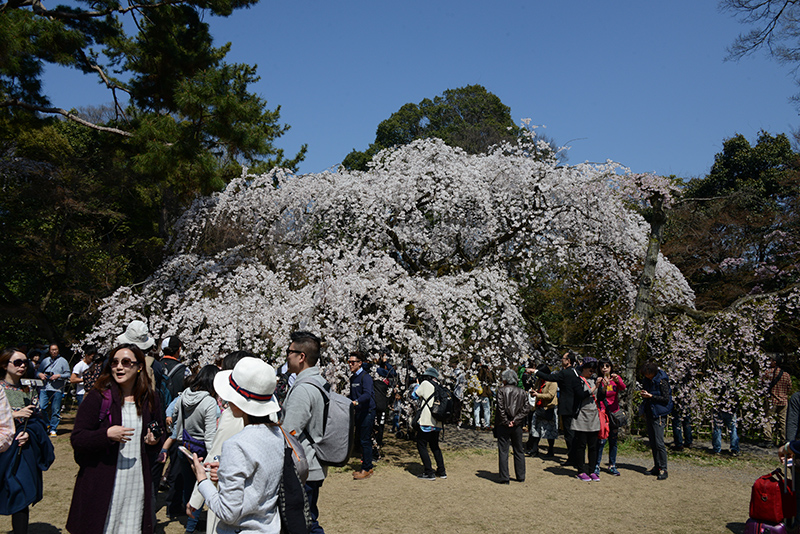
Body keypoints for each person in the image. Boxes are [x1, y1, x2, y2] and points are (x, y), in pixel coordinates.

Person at [67, 344, 164, 534]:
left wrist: (154, 440)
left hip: (136, 482)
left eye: (126, 362)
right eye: (114, 362)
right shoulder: (98, 397)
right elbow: (78, 438)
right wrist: (105, 435)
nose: (119, 367)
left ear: (139, 367)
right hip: (103, 480)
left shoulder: (150, 399)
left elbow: (159, 431)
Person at [190, 357, 285, 533]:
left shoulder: (236, 445)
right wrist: (226, 469)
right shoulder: (277, 435)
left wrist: (202, 479)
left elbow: (228, 513)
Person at [186, 351, 250, 534]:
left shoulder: (233, 414)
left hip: (230, 495)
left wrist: (196, 499)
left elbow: (214, 455)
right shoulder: (269, 415)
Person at [0, 348, 55, 534]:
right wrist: (13, 415)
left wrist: (29, 433)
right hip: (2, 449)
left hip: (23, 449)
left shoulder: (29, 389)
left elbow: (38, 419)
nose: (22, 366)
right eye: (17, 362)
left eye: (25, 362)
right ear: (4, 365)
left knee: (22, 492)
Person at [281, 331, 328, 533]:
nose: (287, 356)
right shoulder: (320, 382)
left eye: (289, 351)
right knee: (308, 519)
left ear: (301, 357)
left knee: (303, 523)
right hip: (314, 462)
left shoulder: (303, 389)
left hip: (303, 466)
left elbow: (289, 433)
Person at [173, 364, 220, 533]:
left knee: (189, 486)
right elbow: (210, 435)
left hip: (184, 446)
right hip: (201, 451)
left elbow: (174, 414)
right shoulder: (209, 402)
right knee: (200, 489)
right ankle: (191, 527)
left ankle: (190, 521)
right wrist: (213, 456)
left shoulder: (184, 395)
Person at [531, 351, 583, 465]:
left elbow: (549, 377)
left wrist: (535, 371)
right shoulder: (576, 372)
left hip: (567, 407)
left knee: (569, 434)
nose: (561, 360)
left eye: (563, 359)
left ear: (568, 361)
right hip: (575, 405)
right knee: (573, 433)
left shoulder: (565, 373)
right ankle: (575, 457)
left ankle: (572, 458)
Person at [571, 357, 605, 481]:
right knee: (581, 445)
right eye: (590, 370)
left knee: (593, 446)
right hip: (581, 415)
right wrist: (595, 387)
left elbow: (601, 397)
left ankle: (592, 470)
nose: (592, 373)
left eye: (593, 370)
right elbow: (580, 395)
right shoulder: (577, 380)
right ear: (583, 368)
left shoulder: (594, 380)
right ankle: (580, 471)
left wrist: (603, 387)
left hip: (593, 415)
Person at [495, 368, 530, 484]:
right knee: (519, 450)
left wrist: (506, 421)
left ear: (505, 380)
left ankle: (504, 477)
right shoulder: (522, 392)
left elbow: (500, 408)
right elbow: (526, 408)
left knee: (503, 451)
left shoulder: (501, 391)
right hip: (517, 425)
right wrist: (516, 420)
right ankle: (521, 476)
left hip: (503, 425)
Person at [640, 361, 673, 481]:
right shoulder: (646, 380)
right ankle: (657, 466)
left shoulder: (662, 381)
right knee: (653, 442)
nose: (646, 376)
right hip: (650, 411)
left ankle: (664, 468)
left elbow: (666, 398)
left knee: (659, 443)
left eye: (647, 374)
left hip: (659, 413)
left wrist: (651, 396)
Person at [412, 368, 447, 480]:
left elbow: (414, 395)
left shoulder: (425, 384)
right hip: (437, 422)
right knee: (434, 445)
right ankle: (442, 471)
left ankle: (429, 472)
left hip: (427, 421)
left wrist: (417, 385)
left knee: (421, 444)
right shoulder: (439, 386)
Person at [594, 358, 626, 476]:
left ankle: (612, 465)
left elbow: (623, 388)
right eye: (602, 366)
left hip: (614, 412)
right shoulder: (598, 380)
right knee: (601, 440)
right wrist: (602, 386)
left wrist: (618, 381)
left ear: (611, 367)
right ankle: (596, 465)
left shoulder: (615, 379)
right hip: (603, 412)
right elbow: (599, 396)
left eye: (607, 366)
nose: (605, 368)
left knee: (613, 440)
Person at [348, 351, 376, 479]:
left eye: (353, 362)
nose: (350, 364)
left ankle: (366, 468)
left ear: (360, 363)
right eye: (349, 362)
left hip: (367, 411)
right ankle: (367, 466)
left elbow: (367, 394)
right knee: (361, 439)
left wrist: (356, 402)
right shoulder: (353, 378)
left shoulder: (366, 377)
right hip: (359, 411)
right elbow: (352, 394)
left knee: (365, 440)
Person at [36, 343, 70, 436]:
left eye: (56, 349)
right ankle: (47, 424)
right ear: (49, 351)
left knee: (55, 409)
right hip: (45, 387)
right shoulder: (45, 360)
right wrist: (40, 375)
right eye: (52, 350)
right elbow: (38, 372)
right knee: (42, 407)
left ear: (58, 350)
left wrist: (58, 376)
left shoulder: (63, 361)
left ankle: (53, 428)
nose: (54, 351)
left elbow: (68, 374)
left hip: (57, 388)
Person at [527, 364, 558, 458]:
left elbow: (550, 395)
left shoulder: (552, 381)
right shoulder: (539, 381)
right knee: (535, 429)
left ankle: (551, 450)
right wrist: (532, 392)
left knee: (550, 431)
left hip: (548, 408)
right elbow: (536, 389)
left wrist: (538, 395)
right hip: (538, 407)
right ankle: (534, 449)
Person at [763, 355, 791, 446]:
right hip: (783, 401)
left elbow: (762, 383)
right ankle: (784, 440)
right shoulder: (786, 375)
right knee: (783, 421)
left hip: (772, 400)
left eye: (771, 360)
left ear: (775, 362)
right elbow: (789, 387)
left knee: (768, 419)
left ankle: (768, 439)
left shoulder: (768, 373)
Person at [473, 362, 495, 430]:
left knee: (476, 408)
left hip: (476, 392)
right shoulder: (487, 372)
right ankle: (487, 424)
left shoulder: (476, 371)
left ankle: (477, 424)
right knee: (486, 409)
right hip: (484, 393)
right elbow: (492, 380)